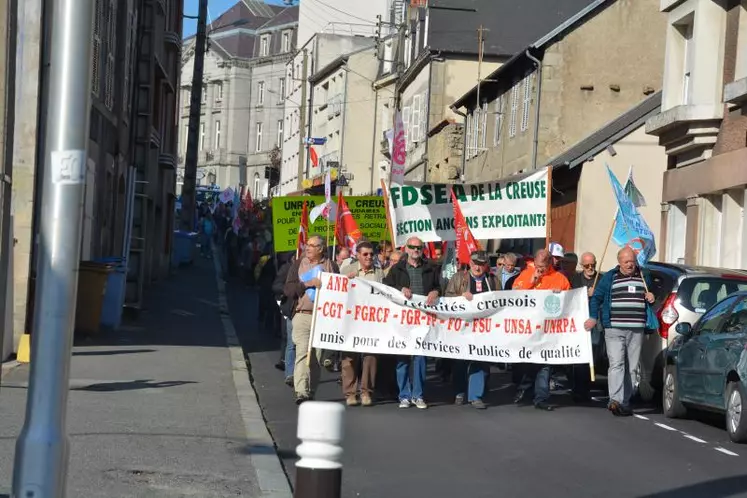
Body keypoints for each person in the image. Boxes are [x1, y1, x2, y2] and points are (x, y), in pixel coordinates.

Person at [586, 246, 656, 417]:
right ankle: (615, 400)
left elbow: (651, 298)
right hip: (614, 328)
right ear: (619, 262)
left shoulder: (643, 276)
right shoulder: (610, 277)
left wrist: (651, 298)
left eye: (632, 261)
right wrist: (594, 317)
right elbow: (597, 298)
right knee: (617, 364)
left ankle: (624, 402)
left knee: (631, 367)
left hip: (637, 329)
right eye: (626, 262)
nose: (630, 265)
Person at [383, 236, 441, 409]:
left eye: (419, 247)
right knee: (403, 358)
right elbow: (386, 286)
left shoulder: (431, 268)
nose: (416, 250)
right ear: (406, 249)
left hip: (423, 319)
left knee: (420, 357)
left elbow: (439, 286)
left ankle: (418, 395)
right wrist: (400, 289)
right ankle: (404, 395)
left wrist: (435, 292)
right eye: (412, 247)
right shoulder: (397, 269)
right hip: (402, 319)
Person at [283, 235, 340, 404]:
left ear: (321, 249)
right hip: (302, 315)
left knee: (315, 357)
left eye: (312, 245)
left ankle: (311, 391)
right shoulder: (298, 264)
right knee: (302, 352)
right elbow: (288, 289)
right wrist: (307, 284)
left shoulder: (331, 266)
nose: (307, 248)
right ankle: (301, 391)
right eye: (307, 245)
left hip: (321, 317)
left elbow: (339, 291)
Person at [512, 249, 571, 411]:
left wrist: (561, 296)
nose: (539, 269)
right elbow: (513, 295)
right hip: (527, 329)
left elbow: (570, 303)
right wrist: (532, 280)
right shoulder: (526, 274)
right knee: (527, 363)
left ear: (549, 263)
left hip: (548, 330)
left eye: (542, 266)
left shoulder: (559, 279)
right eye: (537, 265)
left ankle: (541, 398)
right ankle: (524, 389)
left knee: (544, 364)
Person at [444, 250, 498, 409]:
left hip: (483, 327)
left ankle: (476, 395)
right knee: (460, 360)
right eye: (475, 263)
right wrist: (461, 296)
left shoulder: (492, 280)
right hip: (462, 326)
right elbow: (447, 297)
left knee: (479, 359)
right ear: (470, 263)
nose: (478, 267)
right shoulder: (459, 277)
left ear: (486, 265)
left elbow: (500, 301)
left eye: (481, 264)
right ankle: (459, 391)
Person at [339, 241, 385, 406]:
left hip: (371, 321)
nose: (369, 257)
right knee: (350, 358)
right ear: (357, 255)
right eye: (365, 254)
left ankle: (366, 392)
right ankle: (350, 393)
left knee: (370, 357)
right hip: (351, 321)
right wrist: (345, 280)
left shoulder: (379, 273)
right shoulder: (347, 271)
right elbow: (337, 292)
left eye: (371, 254)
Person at [569, 252, 603, 402]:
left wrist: (597, 295)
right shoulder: (575, 279)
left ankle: (586, 389)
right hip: (578, 323)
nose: (590, 268)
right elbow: (570, 299)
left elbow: (607, 298)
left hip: (595, 323)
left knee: (592, 356)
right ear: (581, 265)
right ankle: (577, 388)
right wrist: (585, 294)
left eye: (593, 265)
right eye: (587, 265)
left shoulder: (601, 280)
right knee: (578, 357)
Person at [273, 253, 296, 386]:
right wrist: (287, 289)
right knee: (288, 339)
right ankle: (289, 372)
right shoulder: (286, 268)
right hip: (288, 308)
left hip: (302, 310)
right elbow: (276, 286)